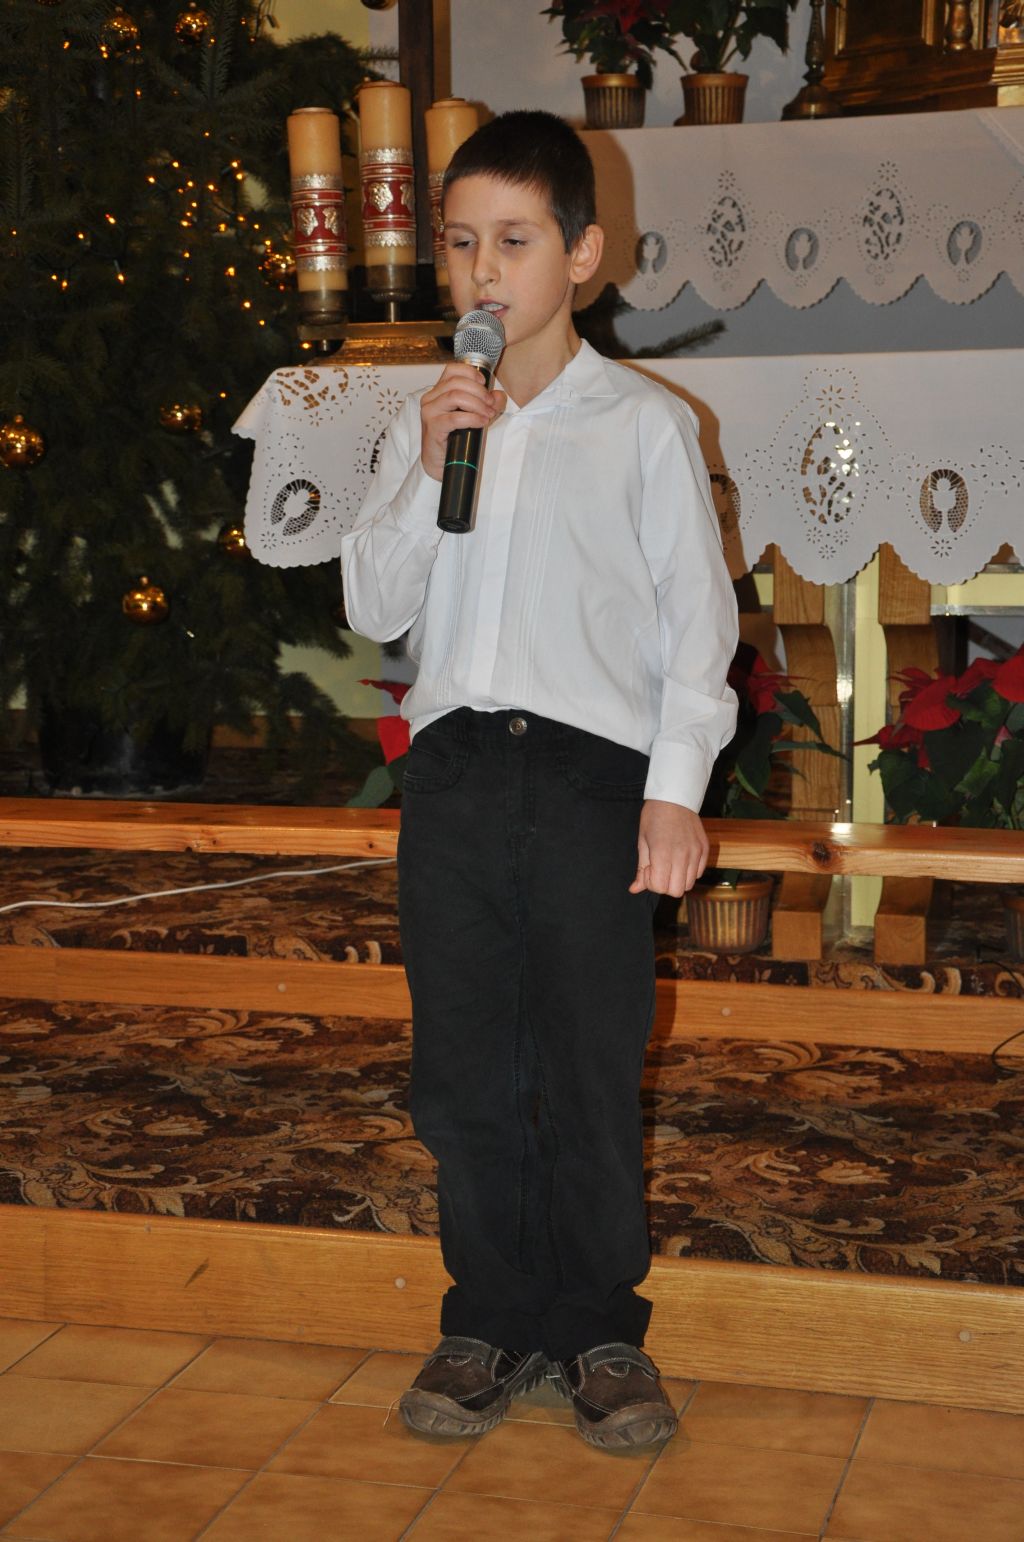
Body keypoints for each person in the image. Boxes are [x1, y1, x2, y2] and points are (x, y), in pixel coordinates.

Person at [341, 109, 738, 1451]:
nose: (481, 272)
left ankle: (599, 1329)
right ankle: (490, 1317)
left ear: (581, 255)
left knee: (583, 1060)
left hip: (588, 779)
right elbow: (374, 603)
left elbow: (695, 622)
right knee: (463, 1067)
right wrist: (422, 465)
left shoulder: (643, 424)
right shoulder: (430, 419)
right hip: (455, 774)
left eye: (513, 242)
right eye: (460, 244)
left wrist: (674, 788)